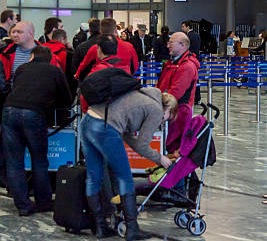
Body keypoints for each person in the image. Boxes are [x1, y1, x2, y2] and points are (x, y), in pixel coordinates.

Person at [81, 82, 175, 240]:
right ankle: (132, 229)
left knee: (93, 177)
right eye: (167, 119)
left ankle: (100, 227)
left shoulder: (139, 95)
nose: (163, 122)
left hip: (88, 120)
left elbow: (126, 135)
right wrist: (161, 158)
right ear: (168, 110)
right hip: (105, 127)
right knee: (125, 178)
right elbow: (142, 146)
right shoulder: (156, 110)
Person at [2, 45, 71, 216]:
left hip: (9, 111)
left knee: (14, 162)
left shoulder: (21, 68)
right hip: (34, 114)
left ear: (31, 56)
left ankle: (23, 205)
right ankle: (43, 202)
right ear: (49, 59)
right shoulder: (55, 71)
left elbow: (14, 87)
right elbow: (67, 99)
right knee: (39, 160)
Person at [156, 32, 200, 153]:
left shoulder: (187, 66)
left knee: (173, 148)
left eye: (171, 43)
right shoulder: (173, 63)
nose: (167, 45)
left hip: (177, 114)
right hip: (169, 111)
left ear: (182, 45)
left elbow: (175, 93)